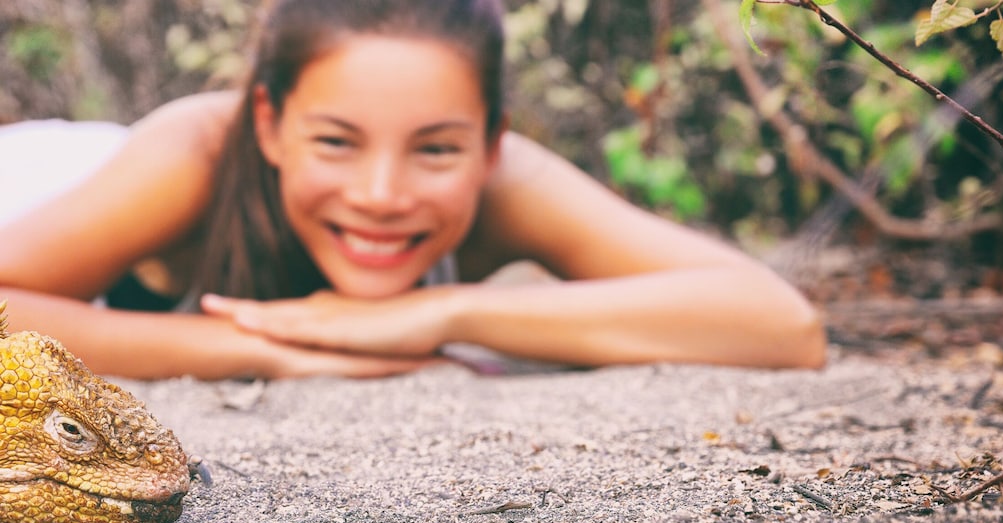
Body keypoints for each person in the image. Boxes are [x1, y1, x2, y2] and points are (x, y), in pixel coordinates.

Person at [0, 0, 825, 380]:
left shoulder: (505, 180)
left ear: (491, 140)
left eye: (434, 149)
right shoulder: (197, 153)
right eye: (335, 141)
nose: (383, 193)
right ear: (268, 123)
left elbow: (782, 325)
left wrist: (442, 311)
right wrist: (269, 352)